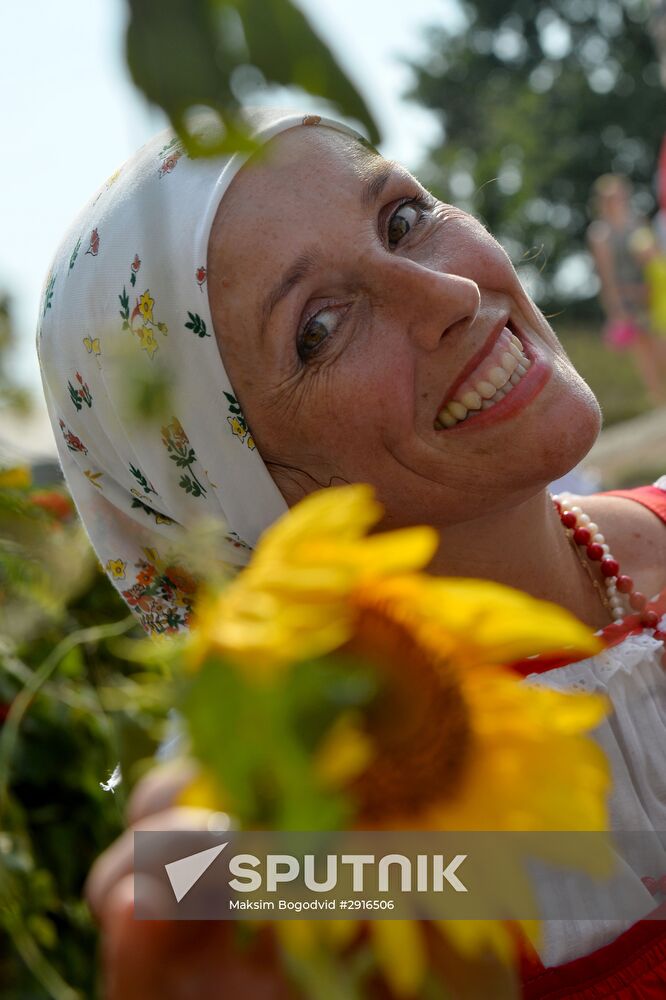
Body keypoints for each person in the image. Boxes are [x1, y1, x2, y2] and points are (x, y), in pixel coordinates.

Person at [38, 111, 666, 998]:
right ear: (235, 495)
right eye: (321, 326)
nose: (444, 293)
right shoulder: (344, 839)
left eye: (404, 219)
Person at [587, 173, 666, 405]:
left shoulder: (637, 221)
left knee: (661, 345)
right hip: (626, 298)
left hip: (651, 293)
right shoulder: (600, 233)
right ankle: (660, 403)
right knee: (643, 352)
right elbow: (606, 276)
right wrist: (615, 307)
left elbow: (654, 258)